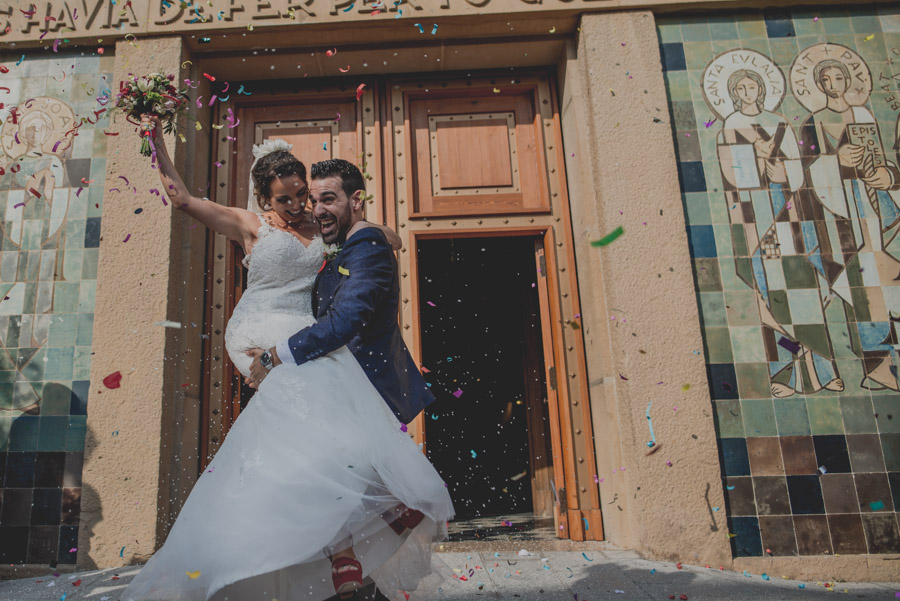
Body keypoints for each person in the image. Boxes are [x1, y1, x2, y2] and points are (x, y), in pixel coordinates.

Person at [122, 116, 454, 601]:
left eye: (304, 194)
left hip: (303, 334)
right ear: (264, 200)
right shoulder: (248, 225)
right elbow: (183, 200)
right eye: (287, 199)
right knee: (320, 410)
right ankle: (354, 535)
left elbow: (389, 240)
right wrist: (156, 142)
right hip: (261, 331)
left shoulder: (323, 228)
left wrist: (377, 230)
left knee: (319, 433)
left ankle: (338, 539)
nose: (299, 205)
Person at [716, 68, 846, 398]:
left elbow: (799, 167)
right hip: (756, 222)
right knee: (772, 298)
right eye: (741, 86)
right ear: (734, 92)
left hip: (788, 219)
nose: (747, 91)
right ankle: (783, 375)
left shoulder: (779, 122)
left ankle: (825, 368)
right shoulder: (729, 126)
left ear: (760, 89)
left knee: (806, 293)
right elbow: (730, 174)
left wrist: (783, 172)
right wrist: (757, 163)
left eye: (752, 85)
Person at [799, 59, 900, 392]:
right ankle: (875, 366)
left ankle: (883, 364)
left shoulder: (863, 115)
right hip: (833, 218)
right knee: (858, 285)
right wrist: (834, 161)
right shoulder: (812, 124)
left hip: (866, 208)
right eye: (824, 78)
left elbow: (878, 157)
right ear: (818, 85)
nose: (832, 83)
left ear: (847, 80)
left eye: (838, 76)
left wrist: (887, 176)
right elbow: (804, 175)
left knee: (878, 283)